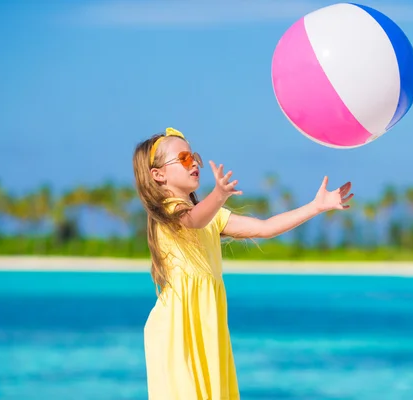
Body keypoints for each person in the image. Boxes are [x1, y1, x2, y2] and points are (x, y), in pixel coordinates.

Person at [132, 127, 354, 400]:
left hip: (207, 322)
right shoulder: (167, 213)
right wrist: (218, 195)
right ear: (158, 175)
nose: (195, 164)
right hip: (177, 328)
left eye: (195, 157)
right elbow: (192, 220)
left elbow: (265, 228)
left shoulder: (212, 216)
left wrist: (316, 206)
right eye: (185, 158)